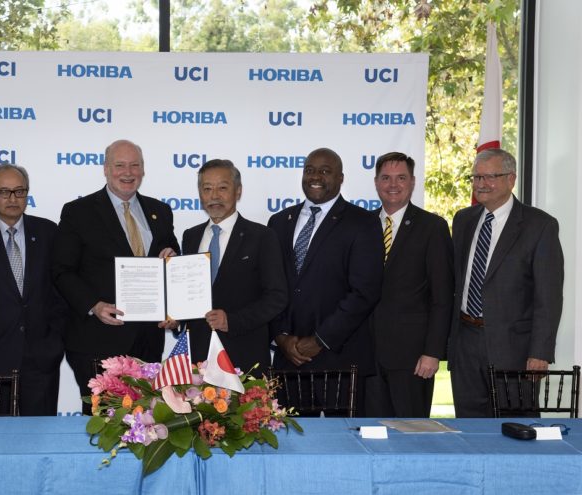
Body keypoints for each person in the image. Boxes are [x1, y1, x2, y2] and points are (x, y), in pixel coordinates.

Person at [52, 139, 180, 407]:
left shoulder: (160, 212)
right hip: (97, 340)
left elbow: (173, 264)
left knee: (148, 422)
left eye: (135, 165)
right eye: (120, 165)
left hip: (148, 339)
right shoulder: (78, 212)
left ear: (143, 170)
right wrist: (94, 306)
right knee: (105, 425)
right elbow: (62, 271)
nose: (128, 172)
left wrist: (173, 304)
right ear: (106, 169)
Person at [267, 147, 383, 415]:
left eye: (325, 171)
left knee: (344, 445)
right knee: (288, 444)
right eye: (309, 170)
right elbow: (271, 287)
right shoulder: (279, 222)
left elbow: (364, 292)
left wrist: (319, 340)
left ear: (341, 178)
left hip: (339, 359)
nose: (315, 176)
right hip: (288, 359)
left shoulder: (363, 223)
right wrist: (281, 337)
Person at [450, 148, 564, 418]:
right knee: (470, 429)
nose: (481, 184)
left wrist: (540, 352)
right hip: (465, 341)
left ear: (511, 179)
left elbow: (548, 297)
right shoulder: (463, 220)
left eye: (490, 176)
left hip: (514, 349)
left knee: (516, 428)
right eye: (476, 177)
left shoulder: (539, 225)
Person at [0, 164, 66, 416]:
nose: (12, 198)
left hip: (41, 360)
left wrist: (55, 342)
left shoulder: (49, 232)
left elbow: (61, 293)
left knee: (40, 440)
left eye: (19, 191)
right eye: (4, 192)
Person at [364, 152, 454, 418]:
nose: (393, 184)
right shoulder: (362, 225)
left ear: (413, 182)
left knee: (411, 433)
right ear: (376, 182)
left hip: (412, 357)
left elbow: (442, 296)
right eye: (386, 178)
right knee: (367, 434)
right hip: (366, 354)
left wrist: (432, 352)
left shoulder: (433, 227)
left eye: (401, 178)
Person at [181, 159, 287, 374]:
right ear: (200, 194)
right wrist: (174, 316)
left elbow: (277, 297)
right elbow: (187, 293)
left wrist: (233, 320)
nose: (215, 196)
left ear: (238, 191)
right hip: (198, 361)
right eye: (207, 188)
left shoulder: (262, 236)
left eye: (223, 187)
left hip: (244, 357)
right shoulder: (190, 236)